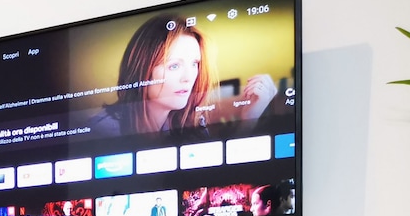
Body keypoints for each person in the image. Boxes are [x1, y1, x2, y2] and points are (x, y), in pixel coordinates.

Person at [88, 14, 277, 139]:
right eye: (174, 66)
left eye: (194, 64)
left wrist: (249, 118)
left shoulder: (188, 122)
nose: (188, 77)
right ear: (141, 70)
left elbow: (217, 178)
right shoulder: (103, 131)